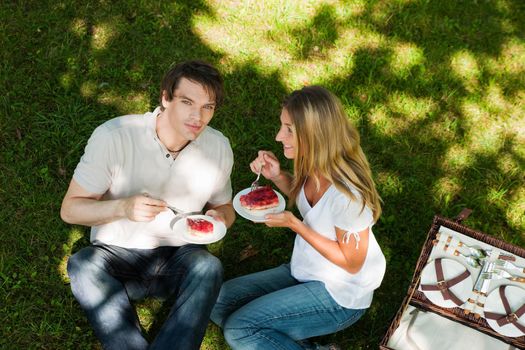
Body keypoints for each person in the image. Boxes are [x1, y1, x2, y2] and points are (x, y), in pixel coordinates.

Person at [61, 60, 235, 350]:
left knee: (209, 267)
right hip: (115, 257)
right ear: (165, 98)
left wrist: (219, 217)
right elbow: (70, 210)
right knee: (82, 265)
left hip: (180, 256)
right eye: (187, 102)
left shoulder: (218, 147)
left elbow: (225, 207)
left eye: (208, 107)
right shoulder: (114, 136)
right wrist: (123, 208)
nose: (198, 116)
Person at [211, 86, 386, 349]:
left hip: (339, 295)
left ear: (315, 134)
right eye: (282, 126)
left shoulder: (348, 196)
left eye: (289, 129)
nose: (279, 136)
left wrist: (295, 225)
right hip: (306, 270)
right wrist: (277, 176)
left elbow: (351, 263)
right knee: (216, 301)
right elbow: (309, 201)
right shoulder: (313, 163)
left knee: (240, 330)